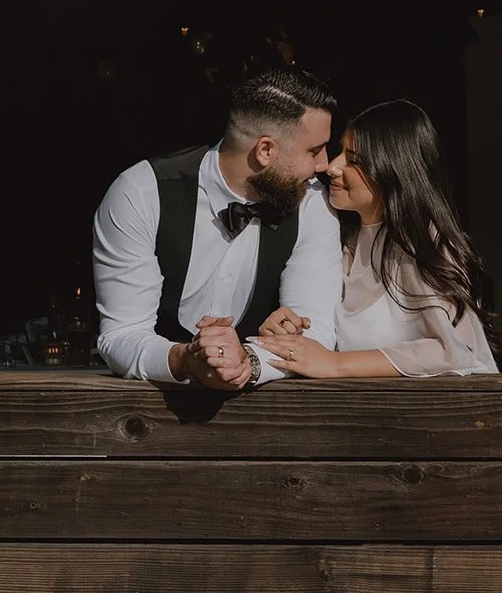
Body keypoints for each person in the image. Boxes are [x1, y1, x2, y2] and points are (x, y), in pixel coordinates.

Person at [91, 66, 342, 388]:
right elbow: (120, 335)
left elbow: (317, 330)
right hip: (145, 409)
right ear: (265, 150)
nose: (324, 165)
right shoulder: (141, 192)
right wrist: (183, 359)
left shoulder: (312, 203)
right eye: (314, 150)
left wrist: (249, 362)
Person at [254, 99, 502, 377]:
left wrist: (335, 364)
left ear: (394, 170)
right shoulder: (343, 242)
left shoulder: (421, 244)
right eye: (340, 152)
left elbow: (453, 351)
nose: (332, 167)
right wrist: (295, 331)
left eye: (355, 160)